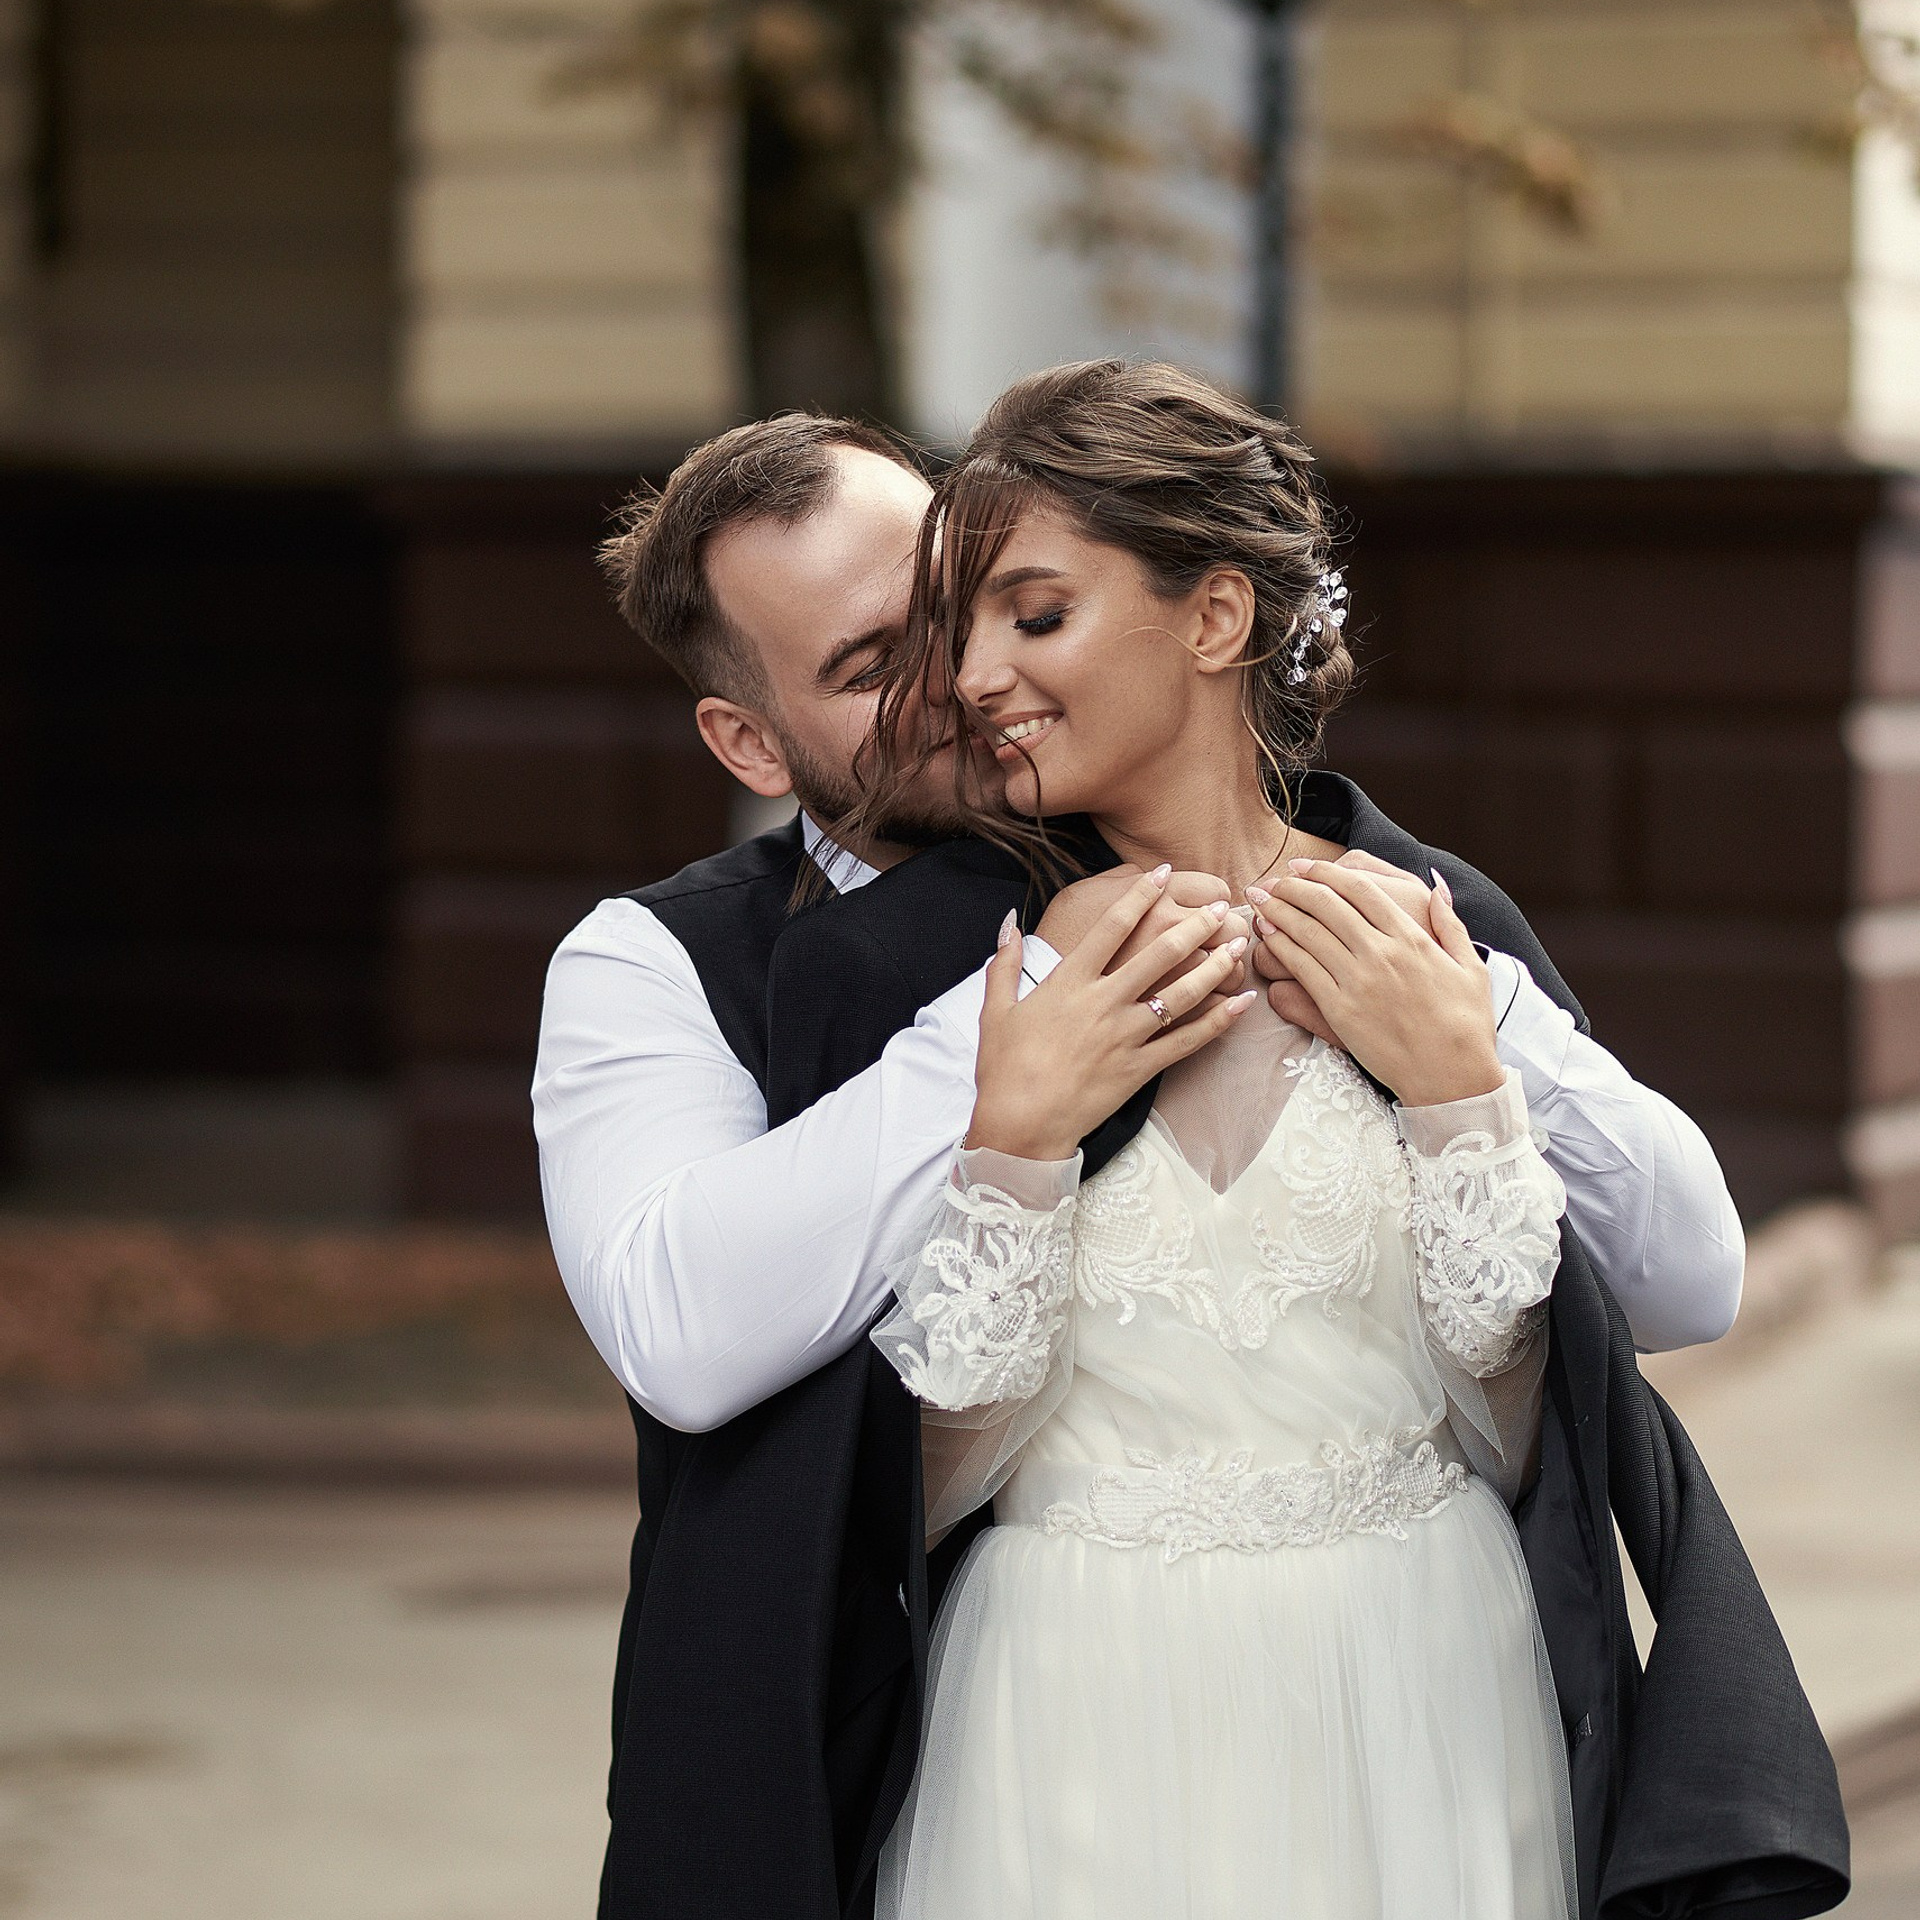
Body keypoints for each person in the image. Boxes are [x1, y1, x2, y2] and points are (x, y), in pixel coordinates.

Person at [533, 404, 1754, 1919]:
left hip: (1414, 1697)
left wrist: (1460, 1064)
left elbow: (1667, 1281)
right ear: (747, 739)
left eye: (981, 604)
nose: (965, 680)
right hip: (997, 1729)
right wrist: (1009, 1067)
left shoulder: (1386, 905)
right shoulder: (669, 963)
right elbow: (682, 1335)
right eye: (874, 665)